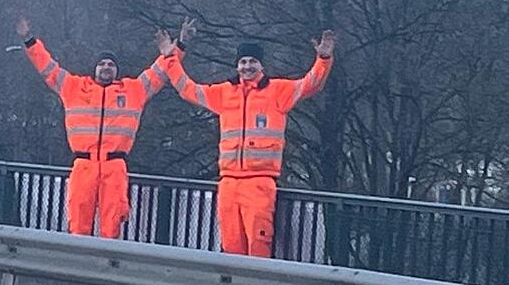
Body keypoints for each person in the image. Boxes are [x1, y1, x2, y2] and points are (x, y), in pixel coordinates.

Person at [158, 18, 335, 257]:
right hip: (228, 181)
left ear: (261, 66)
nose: (247, 66)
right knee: (231, 246)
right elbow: (187, 88)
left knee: (258, 244)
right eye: (242, 62)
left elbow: (310, 85)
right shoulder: (225, 92)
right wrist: (173, 56)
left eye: (252, 61)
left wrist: (323, 59)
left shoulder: (276, 91)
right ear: (236, 66)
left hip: (260, 182)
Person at [17, 17, 170, 238]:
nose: (106, 68)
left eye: (110, 64)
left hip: (115, 166)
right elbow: (47, 67)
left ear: (116, 70)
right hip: (83, 164)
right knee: (78, 222)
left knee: (113, 223)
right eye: (102, 64)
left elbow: (158, 74)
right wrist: (29, 40)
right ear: (95, 68)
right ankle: (77, 268)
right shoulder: (74, 87)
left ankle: (107, 269)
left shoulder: (132, 91)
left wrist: (172, 53)